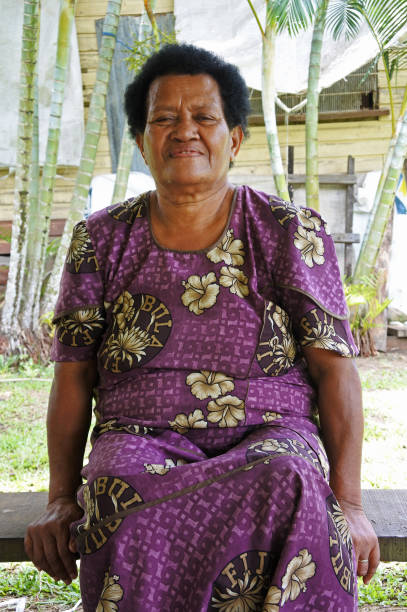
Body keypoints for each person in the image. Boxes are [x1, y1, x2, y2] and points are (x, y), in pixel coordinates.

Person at [25, 43, 379, 611]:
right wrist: (61, 497)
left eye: (204, 117)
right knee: (119, 486)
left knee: (292, 481)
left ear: (234, 138)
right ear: (142, 142)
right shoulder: (102, 238)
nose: (184, 131)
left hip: (268, 439)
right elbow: (73, 374)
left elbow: (334, 371)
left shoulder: (289, 230)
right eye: (163, 119)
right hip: (138, 440)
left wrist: (352, 504)